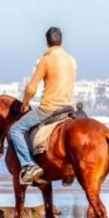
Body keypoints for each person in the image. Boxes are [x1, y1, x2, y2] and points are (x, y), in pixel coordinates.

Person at [10, 27, 77, 185]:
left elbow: (31, 88)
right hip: (68, 108)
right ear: (62, 42)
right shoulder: (72, 60)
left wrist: (25, 104)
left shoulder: (45, 60)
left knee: (15, 130)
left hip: (49, 108)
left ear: (47, 43)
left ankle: (29, 165)